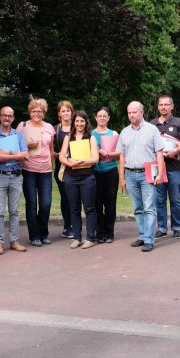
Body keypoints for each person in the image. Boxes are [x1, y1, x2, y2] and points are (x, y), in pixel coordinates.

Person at [116, 101, 166, 252]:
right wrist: (122, 178)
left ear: (141, 112)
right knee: (138, 208)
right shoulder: (124, 132)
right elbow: (122, 157)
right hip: (130, 174)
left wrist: (160, 174)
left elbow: (159, 154)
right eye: (129, 112)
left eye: (134, 112)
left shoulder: (152, 130)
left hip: (148, 174)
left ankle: (149, 240)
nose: (131, 115)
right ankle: (143, 236)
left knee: (149, 208)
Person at [0, 106, 29, 255]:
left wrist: (9, 152)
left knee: (15, 211)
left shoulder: (18, 135)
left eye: (10, 115)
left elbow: (26, 155)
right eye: (4, 115)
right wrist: (17, 155)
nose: (7, 118)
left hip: (16, 176)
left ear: (13, 118)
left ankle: (14, 241)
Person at [17, 97, 56, 247]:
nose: (36, 113)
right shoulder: (23, 126)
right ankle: (34, 236)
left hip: (45, 170)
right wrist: (27, 145)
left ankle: (43, 233)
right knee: (31, 204)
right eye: (33, 111)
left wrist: (50, 164)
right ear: (30, 112)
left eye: (39, 111)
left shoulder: (49, 127)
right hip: (28, 170)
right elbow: (17, 147)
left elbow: (51, 149)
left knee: (46, 203)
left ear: (44, 112)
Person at [58, 110, 100, 249]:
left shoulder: (91, 138)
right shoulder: (68, 137)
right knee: (74, 208)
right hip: (71, 177)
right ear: (73, 122)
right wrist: (70, 163)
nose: (79, 123)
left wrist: (82, 161)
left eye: (82, 121)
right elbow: (61, 156)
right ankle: (77, 237)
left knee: (89, 208)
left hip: (87, 177)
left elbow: (95, 159)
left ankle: (90, 238)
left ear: (86, 122)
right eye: (77, 121)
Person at [149, 94, 180, 239]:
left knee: (175, 199)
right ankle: (162, 228)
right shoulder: (151, 124)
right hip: (157, 167)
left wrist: (175, 151)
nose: (163, 107)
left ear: (172, 106)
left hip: (174, 167)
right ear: (158, 106)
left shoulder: (179, 122)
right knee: (159, 199)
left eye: (166, 104)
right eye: (161, 105)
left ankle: (177, 227)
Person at [92, 107, 120, 243]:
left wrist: (106, 153)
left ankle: (109, 233)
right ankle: (100, 233)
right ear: (96, 118)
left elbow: (120, 153)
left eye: (105, 116)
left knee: (110, 203)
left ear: (108, 118)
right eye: (100, 116)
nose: (102, 118)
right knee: (97, 203)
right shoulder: (90, 134)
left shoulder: (113, 133)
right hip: (95, 172)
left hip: (110, 171)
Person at [53, 101, 75, 239]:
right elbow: (51, 151)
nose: (66, 113)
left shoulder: (78, 127)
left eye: (68, 110)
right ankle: (68, 226)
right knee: (66, 197)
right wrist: (61, 155)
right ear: (59, 114)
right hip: (61, 169)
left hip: (77, 168)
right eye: (63, 111)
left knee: (76, 198)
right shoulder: (54, 130)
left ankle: (74, 225)